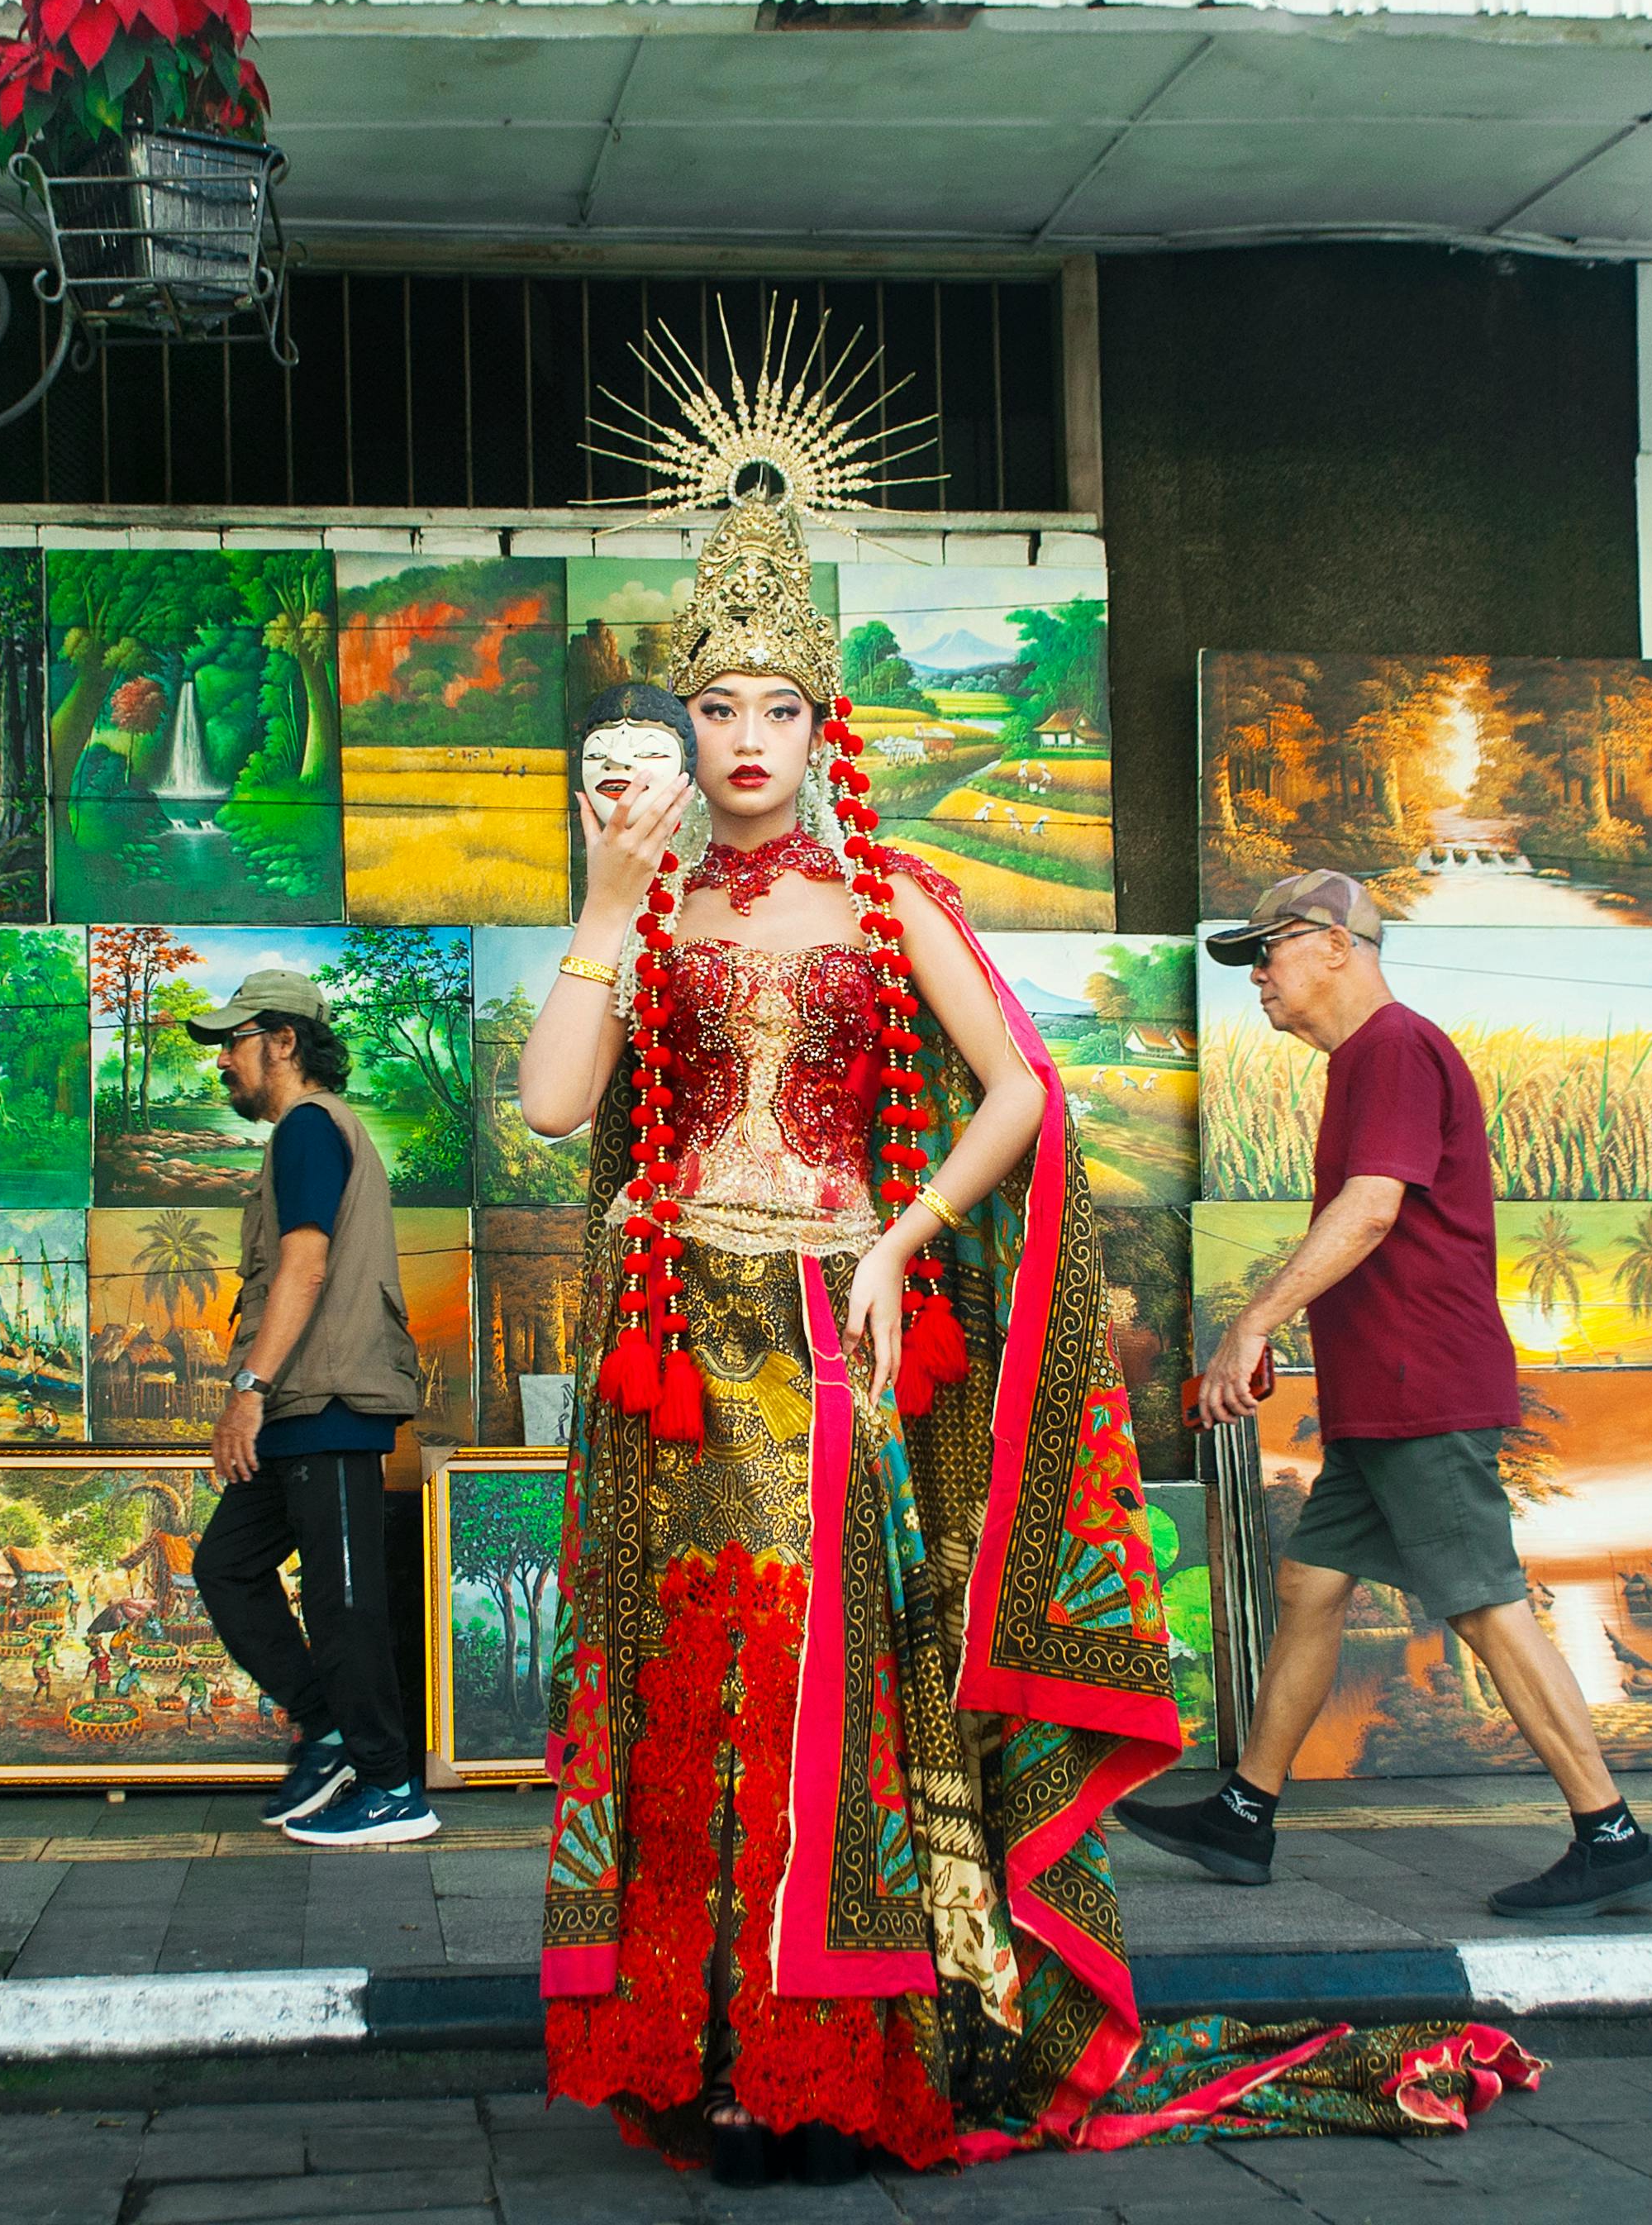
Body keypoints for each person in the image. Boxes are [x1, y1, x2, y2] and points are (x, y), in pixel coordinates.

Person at [517, 398, 1531, 2187]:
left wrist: (897, 1240)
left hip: (824, 1335)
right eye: (714, 706)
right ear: (678, 725)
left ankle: (834, 2049)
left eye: (775, 708)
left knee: (815, 1671)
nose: (743, 738)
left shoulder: (889, 893)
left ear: (819, 726)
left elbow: (1020, 1093)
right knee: (684, 1678)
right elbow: (547, 1106)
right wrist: (602, 900)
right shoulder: (650, 908)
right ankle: (708, 2043)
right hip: (669, 1345)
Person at [1116, 871, 1652, 1922]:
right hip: (1384, 1396)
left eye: (1268, 952)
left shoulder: (1393, 1047)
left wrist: (1252, 1321)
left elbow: (1371, 1208)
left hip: (1424, 1390)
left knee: (1484, 1603)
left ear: (1334, 944)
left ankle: (1612, 1836)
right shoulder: (1366, 1061)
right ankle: (1243, 1813)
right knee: (1310, 1585)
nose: (1258, 977)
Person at [183, 969, 440, 1850]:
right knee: (227, 1567)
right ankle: (328, 1729)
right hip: (300, 1403)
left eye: (234, 1041)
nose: (223, 1061)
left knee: (343, 1601)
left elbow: (305, 1265)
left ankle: (389, 1786)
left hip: (324, 1399)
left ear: (284, 1041)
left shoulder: (307, 1127)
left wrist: (246, 1392)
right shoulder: (299, 1136)